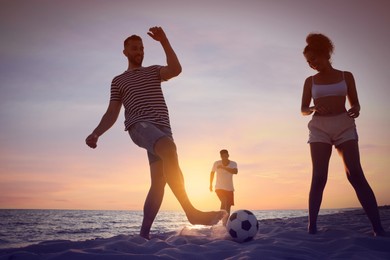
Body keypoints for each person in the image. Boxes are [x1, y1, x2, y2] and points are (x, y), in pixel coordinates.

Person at [85, 26, 226, 239]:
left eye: (141, 48)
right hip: (139, 126)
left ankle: (143, 235)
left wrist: (164, 41)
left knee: (158, 183)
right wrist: (96, 133)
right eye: (134, 48)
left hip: (163, 129)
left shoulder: (153, 71)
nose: (139, 51)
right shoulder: (118, 81)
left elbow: (176, 69)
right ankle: (192, 212)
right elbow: (112, 112)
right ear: (125, 52)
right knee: (169, 149)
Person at [300, 33, 385, 236]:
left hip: (344, 126)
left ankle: (378, 228)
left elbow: (355, 102)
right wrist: (313, 109)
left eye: (314, 59)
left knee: (355, 174)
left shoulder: (346, 75)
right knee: (319, 177)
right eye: (309, 61)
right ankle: (312, 227)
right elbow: (303, 109)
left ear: (326, 53)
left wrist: (356, 108)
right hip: (319, 127)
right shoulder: (310, 81)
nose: (312, 64)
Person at [209, 149, 238, 225]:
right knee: (224, 200)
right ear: (221, 157)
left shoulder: (233, 163)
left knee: (228, 207)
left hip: (229, 188)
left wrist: (223, 167)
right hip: (219, 188)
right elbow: (212, 173)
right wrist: (210, 184)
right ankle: (220, 218)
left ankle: (225, 224)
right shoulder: (216, 163)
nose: (224, 158)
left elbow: (235, 172)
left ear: (228, 155)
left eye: (226, 156)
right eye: (223, 156)